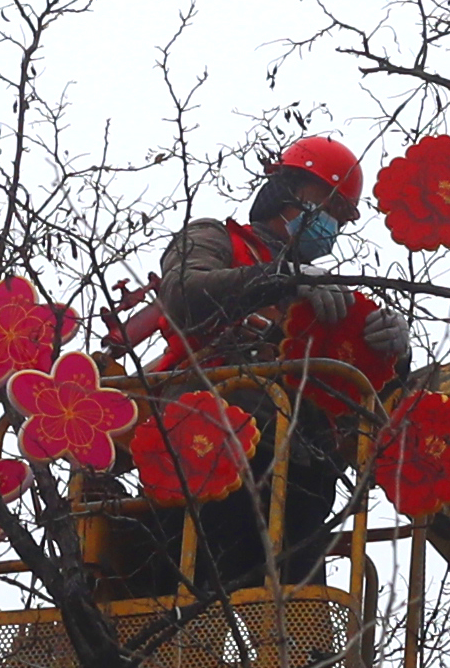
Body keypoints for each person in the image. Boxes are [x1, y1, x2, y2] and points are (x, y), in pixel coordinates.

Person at [147, 136, 409, 594]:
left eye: (340, 218)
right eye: (325, 205)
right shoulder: (216, 239)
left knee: (296, 618)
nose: (329, 224)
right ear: (287, 189)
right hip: (208, 446)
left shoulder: (328, 297)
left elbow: (365, 398)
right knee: (198, 597)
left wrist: (393, 351)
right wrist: (279, 280)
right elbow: (183, 294)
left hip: (301, 467)